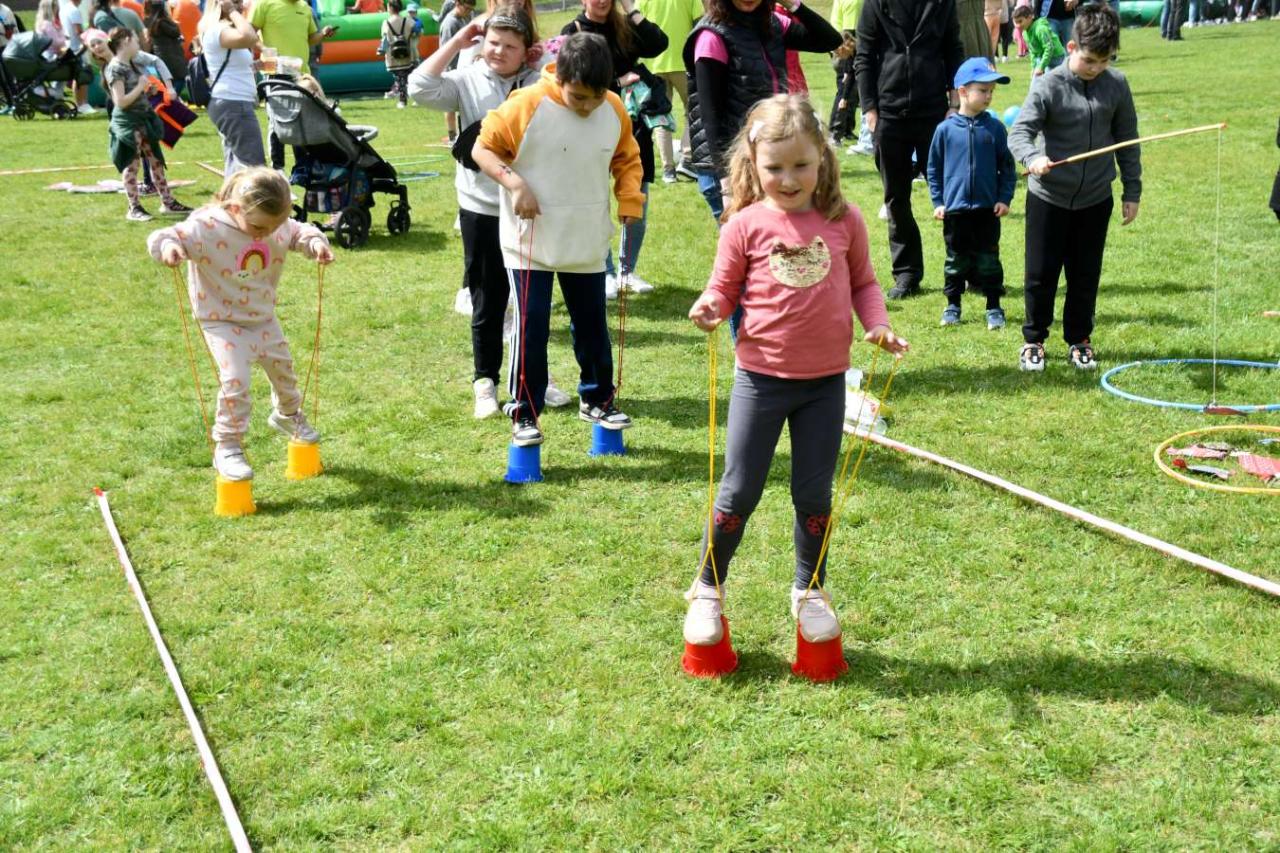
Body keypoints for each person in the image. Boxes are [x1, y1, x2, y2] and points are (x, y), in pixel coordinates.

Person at [683, 95, 908, 649]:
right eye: (775, 167)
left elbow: (864, 283)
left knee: (813, 493)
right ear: (753, 164)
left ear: (823, 158)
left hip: (825, 386)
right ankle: (708, 587)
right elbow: (724, 287)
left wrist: (877, 325)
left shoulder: (844, 220)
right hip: (760, 382)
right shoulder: (743, 225)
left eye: (801, 165)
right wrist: (711, 306)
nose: (788, 179)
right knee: (739, 491)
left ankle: (809, 590)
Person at [472, 32, 643, 448]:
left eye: (595, 98)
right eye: (578, 97)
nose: (587, 107)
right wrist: (515, 184)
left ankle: (598, 399)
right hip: (529, 240)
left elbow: (627, 158)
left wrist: (630, 198)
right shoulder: (526, 104)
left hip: (585, 238)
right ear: (560, 78)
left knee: (593, 326)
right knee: (531, 327)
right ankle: (525, 412)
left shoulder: (613, 108)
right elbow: (482, 149)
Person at [148, 168, 334, 482]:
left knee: (284, 372)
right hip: (220, 319)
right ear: (235, 208)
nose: (265, 234)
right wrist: (168, 248)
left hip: (262, 316)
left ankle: (288, 415)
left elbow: (297, 232)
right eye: (259, 227)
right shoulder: (207, 227)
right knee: (236, 381)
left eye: (274, 226)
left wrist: (314, 242)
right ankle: (228, 445)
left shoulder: (272, 220)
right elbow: (165, 236)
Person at [409, 6, 541, 419]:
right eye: (493, 42)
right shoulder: (467, 79)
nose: (498, 51)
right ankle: (485, 382)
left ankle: (533, 376)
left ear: (526, 51)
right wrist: (456, 41)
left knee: (531, 300)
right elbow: (418, 87)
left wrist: (543, 63)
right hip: (481, 206)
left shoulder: (539, 81)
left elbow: (572, 86)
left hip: (529, 205)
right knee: (488, 299)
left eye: (510, 46)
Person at [1008, 3, 1139, 372]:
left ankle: (1080, 339)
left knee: (1085, 274)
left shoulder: (1117, 85)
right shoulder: (1048, 85)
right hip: (1048, 197)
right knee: (1041, 273)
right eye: (1089, 60)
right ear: (1071, 48)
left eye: (1104, 61)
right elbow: (1019, 133)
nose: (1096, 68)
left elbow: (1128, 140)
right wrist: (1033, 157)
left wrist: (1132, 191)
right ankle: (1033, 340)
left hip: (1096, 198)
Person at [682, 0, 842, 224]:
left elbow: (830, 40)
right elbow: (711, 117)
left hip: (769, 158)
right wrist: (727, 185)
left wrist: (793, 5)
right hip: (729, 167)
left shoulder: (772, 23)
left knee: (775, 242)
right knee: (744, 243)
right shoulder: (711, 36)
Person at [855, 0, 964, 299]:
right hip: (888, 111)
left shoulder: (942, 3)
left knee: (952, 194)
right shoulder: (876, 3)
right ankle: (906, 273)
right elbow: (864, 55)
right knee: (896, 197)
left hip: (934, 110)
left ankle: (963, 268)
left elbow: (953, 49)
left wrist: (955, 102)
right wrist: (869, 108)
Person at [562, 0, 668, 297]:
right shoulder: (573, 31)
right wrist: (616, 82)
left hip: (632, 125)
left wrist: (631, 9)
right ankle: (605, 270)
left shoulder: (625, 27)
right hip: (590, 123)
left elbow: (659, 44)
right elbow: (568, 79)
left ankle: (626, 270)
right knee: (595, 200)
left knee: (637, 197)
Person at [927, 57, 1015, 330]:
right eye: (983, 90)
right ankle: (953, 305)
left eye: (991, 91)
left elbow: (1007, 167)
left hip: (987, 209)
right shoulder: (944, 130)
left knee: (989, 261)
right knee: (955, 260)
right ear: (963, 91)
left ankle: (994, 307)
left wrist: (1004, 198)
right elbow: (933, 169)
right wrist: (938, 201)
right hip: (955, 211)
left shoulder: (995, 129)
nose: (989, 96)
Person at [103, 27, 191, 220]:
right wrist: (140, 87)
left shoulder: (131, 64)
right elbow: (120, 101)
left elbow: (133, 92)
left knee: (156, 163)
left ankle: (168, 203)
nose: (138, 44)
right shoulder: (115, 68)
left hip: (144, 120)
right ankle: (133, 208)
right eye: (136, 40)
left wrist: (147, 91)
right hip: (129, 124)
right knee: (132, 165)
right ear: (126, 41)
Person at [250, 0, 336, 170]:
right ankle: (278, 169)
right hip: (274, 71)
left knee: (301, 120)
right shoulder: (264, 4)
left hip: (301, 74)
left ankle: (302, 167)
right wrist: (263, 48)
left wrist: (322, 34)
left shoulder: (305, 7)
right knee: (276, 120)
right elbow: (249, 33)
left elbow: (310, 38)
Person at [635, 0, 701, 184]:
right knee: (695, 110)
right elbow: (699, 23)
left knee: (660, 116)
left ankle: (668, 170)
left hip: (654, 65)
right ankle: (687, 158)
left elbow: (637, 26)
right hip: (684, 62)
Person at [199, 0, 263, 176]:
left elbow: (231, 65)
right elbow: (250, 37)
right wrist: (232, 11)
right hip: (233, 103)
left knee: (235, 166)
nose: (241, 6)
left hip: (230, 103)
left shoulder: (222, 30)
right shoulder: (219, 29)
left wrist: (256, 65)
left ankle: (231, 194)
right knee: (254, 167)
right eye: (236, 2)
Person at [435, 0, 475, 137]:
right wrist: (452, 71)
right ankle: (452, 135)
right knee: (450, 105)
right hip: (452, 69)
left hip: (463, 68)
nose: (469, 12)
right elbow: (446, 50)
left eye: (471, 10)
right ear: (458, 4)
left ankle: (461, 133)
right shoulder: (450, 23)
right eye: (467, 8)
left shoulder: (463, 18)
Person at [378, 0, 417, 107]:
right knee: (410, 77)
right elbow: (415, 31)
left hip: (393, 56)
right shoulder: (408, 20)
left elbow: (385, 39)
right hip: (408, 54)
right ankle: (416, 98)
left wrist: (381, 50)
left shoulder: (386, 22)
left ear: (390, 8)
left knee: (400, 79)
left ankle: (402, 101)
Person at [143, 0, 186, 97]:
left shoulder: (148, 22)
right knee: (178, 83)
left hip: (159, 60)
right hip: (175, 60)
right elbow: (176, 33)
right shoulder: (167, 23)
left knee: (164, 86)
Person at [1013, 3, 1062, 84]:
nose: (1018, 25)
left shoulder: (1040, 29)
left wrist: (1041, 67)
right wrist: (1033, 67)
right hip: (1042, 57)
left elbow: (1049, 48)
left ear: (1030, 17)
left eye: (1020, 21)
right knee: (1035, 83)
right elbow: (1033, 51)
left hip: (1055, 58)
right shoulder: (1025, 33)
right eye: (1015, 22)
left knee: (1051, 84)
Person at [827, 30, 857, 145]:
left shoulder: (858, 52)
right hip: (854, 77)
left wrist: (844, 97)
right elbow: (850, 75)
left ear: (844, 47)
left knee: (845, 100)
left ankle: (837, 134)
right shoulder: (850, 53)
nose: (837, 56)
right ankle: (835, 134)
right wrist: (846, 72)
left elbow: (851, 76)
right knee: (843, 101)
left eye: (837, 52)